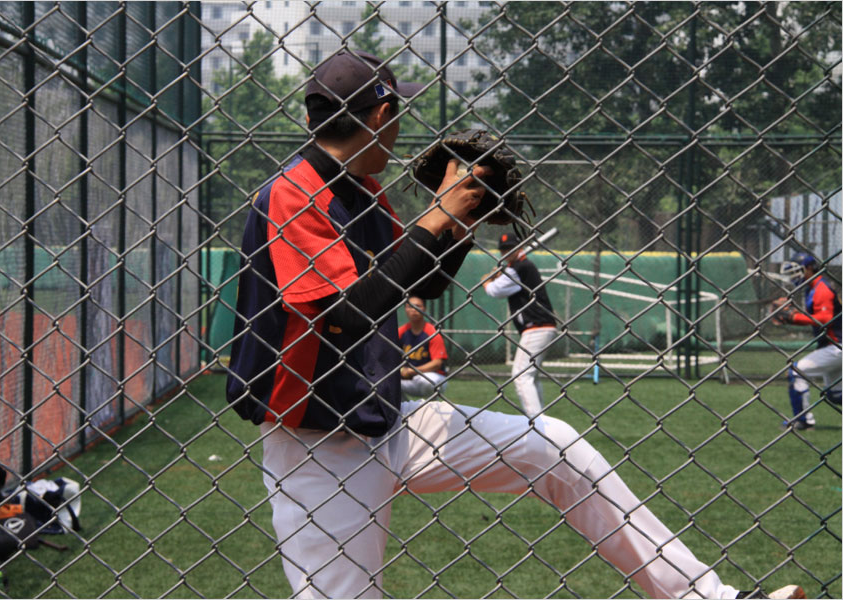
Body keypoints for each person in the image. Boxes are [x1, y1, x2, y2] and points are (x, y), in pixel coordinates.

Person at [225, 49, 803, 600]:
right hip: (317, 443)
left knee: (557, 449)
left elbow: (419, 284)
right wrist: (436, 216)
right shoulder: (293, 194)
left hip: (386, 416)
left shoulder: (366, 194)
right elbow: (348, 314)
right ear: (381, 115)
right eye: (397, 109)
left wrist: (459, 223)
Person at [482, 232, 557, 417]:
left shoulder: (519, 268)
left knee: (521, 375)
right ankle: (542, 419)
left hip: (536, 327)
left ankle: (536, 422)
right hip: (541, 326)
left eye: (511, 248)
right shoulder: (518, 267)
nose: (507, 252)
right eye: (504, 249)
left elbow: (494, 291)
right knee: (531, 376)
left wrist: (488, 280)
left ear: (519, 248)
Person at [774, 251, 842, 430]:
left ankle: (803, 420)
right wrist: (792, 319)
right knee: (836, 395)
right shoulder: (812, 288)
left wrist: (794, 317)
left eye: (799, 270)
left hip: (837, 346)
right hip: (833, 346)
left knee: (797, 372)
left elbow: (825, 318)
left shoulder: (821, 288)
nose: (795, 275)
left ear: (810, 268)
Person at [399, 296, 448, 399]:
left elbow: (437, 364)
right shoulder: (401, 332)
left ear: (424, 309)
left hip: (433, 377)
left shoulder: (432, 332)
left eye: (417, 306)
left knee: (428, 381)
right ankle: (405, 411)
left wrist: (412, 371)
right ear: (405, 309)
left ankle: (432, 406)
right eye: (409, 306)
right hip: (408, 380)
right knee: (386, 383)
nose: (413, 309)